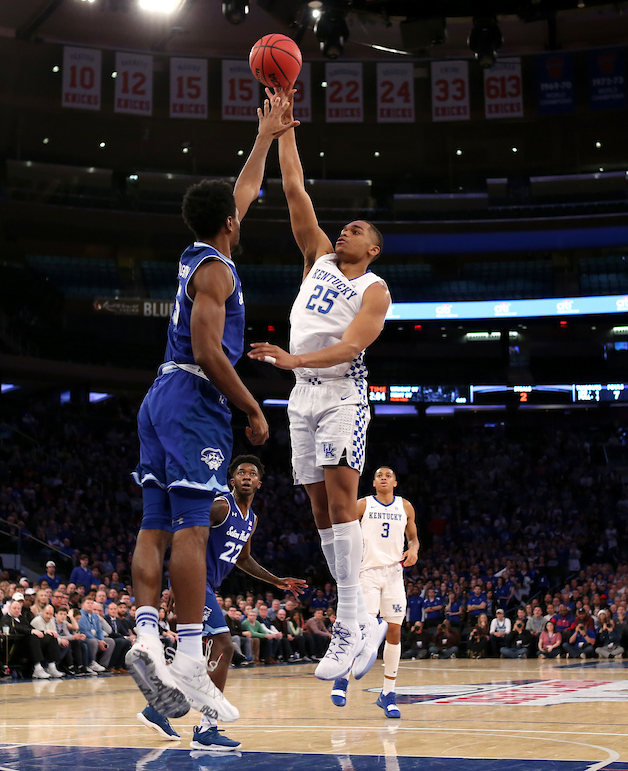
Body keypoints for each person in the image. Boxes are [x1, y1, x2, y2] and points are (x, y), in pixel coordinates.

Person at [126, 91, 294, 726]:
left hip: (159, 397)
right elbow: (208, 350)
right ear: (228, 223)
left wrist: (268, 136)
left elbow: (243, 191)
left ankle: (146, 636)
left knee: (155, 522)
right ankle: (192, 658)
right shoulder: (218, 273)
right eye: (238, 215)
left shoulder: (199, 253)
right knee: (193, 527)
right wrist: (252, 406)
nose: (243, 215)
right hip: (194, 396)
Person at [248, 90, 393, 689]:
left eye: (358, 229)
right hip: (302, 394)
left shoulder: (376, 289)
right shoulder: (316, 257)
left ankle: (353, 621)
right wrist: (283, 132)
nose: (346, 227)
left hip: (340, 391)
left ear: (373, 250)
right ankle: (353, 618)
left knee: (339, 502)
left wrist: (292, 358)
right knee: (315, 509)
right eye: (346, 224)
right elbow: (294, 192)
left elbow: (352, 347)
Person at [138, 455, 305, 751]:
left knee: (197, 659)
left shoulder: (251, 520)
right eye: (240, 472)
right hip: (194, 583)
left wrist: (276, 580)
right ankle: (207, 728)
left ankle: (158, 708)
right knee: (225, 646)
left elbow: (243, 559)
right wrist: (179, 582)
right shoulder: (221, 506)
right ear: (232, 480)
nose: (246, 476)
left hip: (207, 586)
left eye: (252, 473)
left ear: (259, 483)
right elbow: (186, 539)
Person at [331, 466, 419, 718]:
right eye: (379, 475)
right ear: (373, 482)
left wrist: (414, 549)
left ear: (395, 482)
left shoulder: (405, 506)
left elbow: (413, 538)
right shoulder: (362, 505)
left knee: (394, 630)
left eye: (388, 475)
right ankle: (342, 678)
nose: (383, 478)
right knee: (361, 627)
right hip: (366, 572)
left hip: (393, 574)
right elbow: (343, 532)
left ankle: (388, 694)